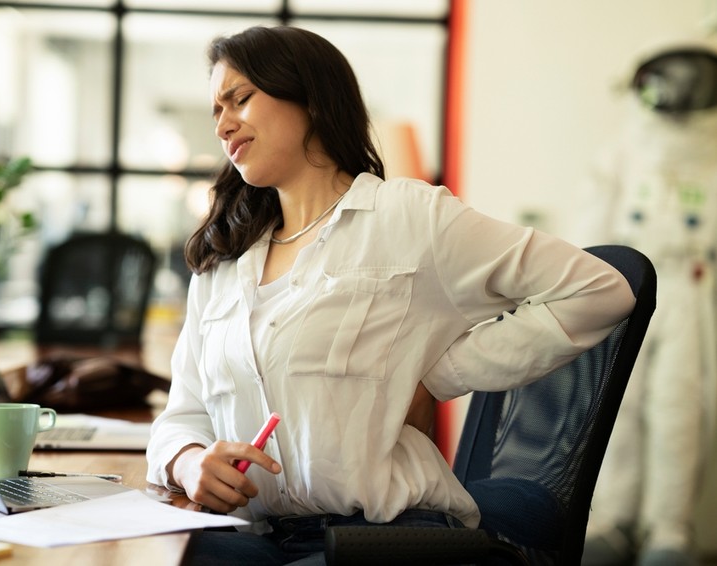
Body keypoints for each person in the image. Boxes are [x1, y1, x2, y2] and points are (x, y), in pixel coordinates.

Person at [146, 25, 636, 566]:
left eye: (240, 99)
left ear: (309, 97)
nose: (222, 124)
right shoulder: (224, 260)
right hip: (258, 538)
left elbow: (599, 291)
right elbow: (180, 415)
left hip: (380, 536)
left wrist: (438, 376)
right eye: (216, 109)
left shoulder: (408, 218)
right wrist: (188, 462)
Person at [576, 38, 717, 566]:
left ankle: (669, 532)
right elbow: (589, 229)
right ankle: (609, 521)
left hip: (691, 285)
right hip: (623, 284)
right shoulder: (620, 150)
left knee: (680, 406)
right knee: (617, 403)